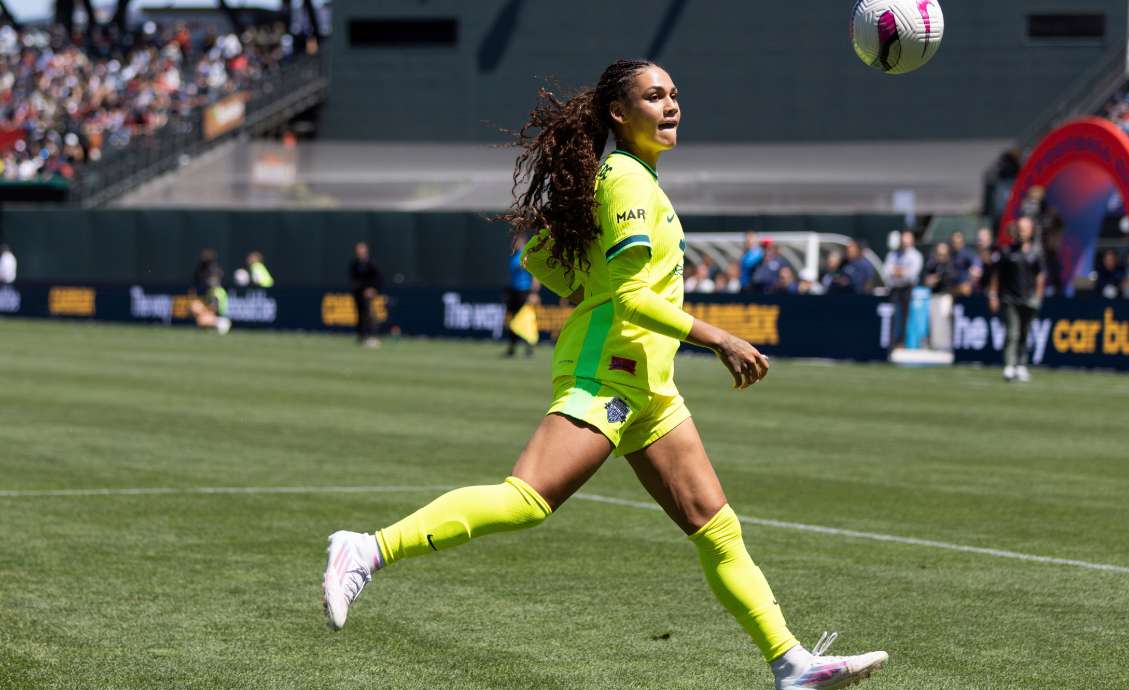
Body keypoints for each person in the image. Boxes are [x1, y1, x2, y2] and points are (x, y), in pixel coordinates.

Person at [320, 59, 887, 690]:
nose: (671, 105)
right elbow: (630, 299)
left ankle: (792, 664)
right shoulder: (626, 180)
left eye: (675, 94)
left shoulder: (629, 178)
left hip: (648, 385)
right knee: (527, 500)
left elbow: (541, 256)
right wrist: (719, 337)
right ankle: (366, 550)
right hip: (607, 374)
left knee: (717, 528)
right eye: (654, 96)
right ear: (620, 113)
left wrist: (587, 277)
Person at [988, 218, 1045, 382]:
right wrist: (993, 295)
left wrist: (1038, 296)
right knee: (1012, 332)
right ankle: (1009, 365)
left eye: (1025, 229)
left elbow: (1040, 276)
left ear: (1030, 231)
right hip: (1009, 298)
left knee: (1024, 333)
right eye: (1020, 229)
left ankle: (1021, 365)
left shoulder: (1036, 252)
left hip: (1028, 299)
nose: (1022, 232)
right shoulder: (1006, 252)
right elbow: (996, 275)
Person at [883, 230, 922, 350]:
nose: (904, 241)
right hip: (894, 288)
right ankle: (890, 341)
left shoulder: (915, 255)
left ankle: (901, 342)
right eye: (903, 238)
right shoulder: (893, 254)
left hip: (907, 289)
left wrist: (899, 271)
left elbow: (911, 274)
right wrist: (900, 272)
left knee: (905, 316)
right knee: (892, 315)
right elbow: (887, 271)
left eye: (907, 238)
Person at [505, 233, 540, 357]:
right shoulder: (513, 256)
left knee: (525, 320)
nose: (513, 244)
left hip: (525, 292)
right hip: (514, 291)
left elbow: (535, 275)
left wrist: (534, 293)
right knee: (512, 320)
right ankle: (512, 347)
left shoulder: (526, 255)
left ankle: (528, 347)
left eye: (516, 241)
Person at [923, 242, 956, 351]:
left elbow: (953, 281)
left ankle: (946, 345)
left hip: (946, 296)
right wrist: (931, 280)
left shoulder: (951, 265)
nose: (941, 256)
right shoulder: (932, 265)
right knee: (934, 320)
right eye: (939, 254)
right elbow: (926, 280)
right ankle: (935, 344)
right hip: (934, 295)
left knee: (944, 318)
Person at [188, 249, 230, 334]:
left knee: (202, 320)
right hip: (208, 306)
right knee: (195, 307)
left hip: (217, 312)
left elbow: (215, 307)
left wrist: (206, 311)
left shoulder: (217, 291)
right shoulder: (200, 271)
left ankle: (220, 322)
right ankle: (212, 322)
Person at [349, 242, 383, 347]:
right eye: (358, 250)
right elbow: (353, 278)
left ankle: (374, 337)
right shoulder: (355, 264)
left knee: (369, 315)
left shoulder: (371, 264)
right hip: (358, 293)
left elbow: (378, 278)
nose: (360, 252)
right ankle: (361, 337)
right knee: (359, 316)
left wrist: (372, 289)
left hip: (368, 295)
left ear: (365, 251)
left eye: (361, 250)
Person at [949, 231, 980, 296]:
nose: (956, 244)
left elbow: (977, 267)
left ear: (963, 242)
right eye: (954, 242)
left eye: (959, 242)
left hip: (968, 290)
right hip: (954, 289)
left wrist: (969, 283)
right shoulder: (950, 255)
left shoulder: (968, 253)